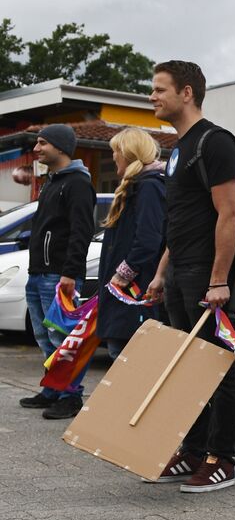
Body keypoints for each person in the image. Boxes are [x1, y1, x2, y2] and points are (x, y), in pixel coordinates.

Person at [144, 60, 235, 493]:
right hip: (181, 272)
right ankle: (193, 448)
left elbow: (230, 213)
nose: (152, 96)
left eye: (159, 89)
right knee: (186, 366)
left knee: (217, 365)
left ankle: (222, 458)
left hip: (208, 274)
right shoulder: (178, 148)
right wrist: (160, 273)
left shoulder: (215, 142)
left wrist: (219, 280)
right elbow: (180, 218)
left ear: (187, 93)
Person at [19, 123, 96, 420]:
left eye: (42, 143)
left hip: (59, 276)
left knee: (62, 338)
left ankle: (71, 395)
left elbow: (81, 232)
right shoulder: (52, 181)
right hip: (38, 273)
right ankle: (52, 388)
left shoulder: (77, 183)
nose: (36, 149)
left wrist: (69, 273)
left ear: (60, 147)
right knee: (42, 335)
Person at [96, 127, 167, 358]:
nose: (113, 156)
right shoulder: (139, 185)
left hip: (134, 292)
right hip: (128, 293)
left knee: (127, 358)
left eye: (116, 150)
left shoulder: (149, 186)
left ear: (128, 152)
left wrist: (121, 276)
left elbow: (148, 240)